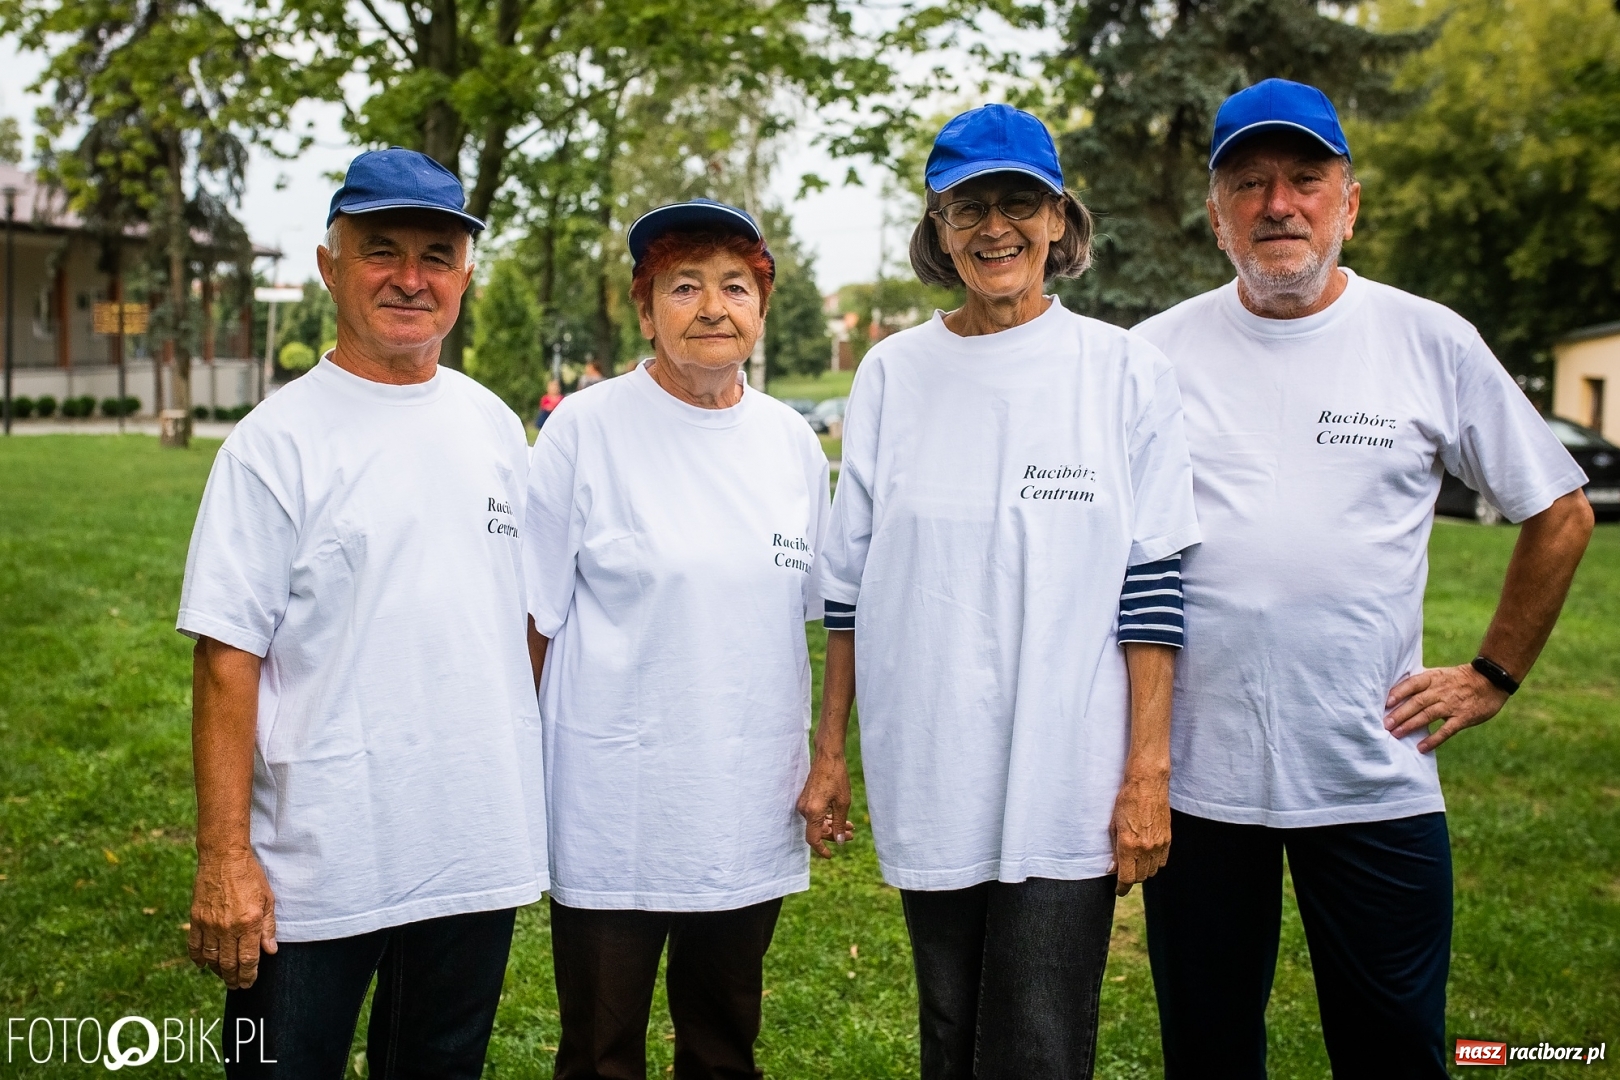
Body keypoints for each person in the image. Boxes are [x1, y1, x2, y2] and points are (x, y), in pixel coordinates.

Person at [1133, 79, 1595, 1079]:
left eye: (1306, 178)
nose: (1278, 204)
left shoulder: (1428, 339)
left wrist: (1492, 675)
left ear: (1351, 202)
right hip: (1200, 784)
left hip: (1373, 774)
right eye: (1248, 184)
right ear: (1216, 216)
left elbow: (1559, 510)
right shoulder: (1150, 357)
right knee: (1207, 1055)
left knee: (1394, 1051)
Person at [801, 104, 1201, 1080]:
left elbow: (1153, 583)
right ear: (937, 231)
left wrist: (1147, 774)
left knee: (1038, 1041)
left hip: (1065, 774)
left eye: (1018, 201)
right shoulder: (892, 374)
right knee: (950, 1029)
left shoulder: (1123, 372)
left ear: (1060, 219)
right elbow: (850, 587)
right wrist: (830, 753)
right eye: (966, 206)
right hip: (931, 765)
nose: (994, 227)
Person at [176, 147, 548, 1079]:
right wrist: (225, 860)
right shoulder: (274, 444)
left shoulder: (496, 428)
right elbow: (227, 659)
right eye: (382, 250)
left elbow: (522, 625)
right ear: (329, 263)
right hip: (315, 865)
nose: (411, 279)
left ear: (466, 274)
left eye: (438, 255)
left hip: (470, 849)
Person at [523, 198, 829, 1080]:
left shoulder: (789, 444)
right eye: (683, 285)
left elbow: (813, 615)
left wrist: (824, 755)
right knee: (600, 1049)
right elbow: (534, 622)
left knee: (725, 1043)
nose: (711, 307)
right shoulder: (584, 430)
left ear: (761, 309)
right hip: (611, 800)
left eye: (736, 286)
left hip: (743, 800)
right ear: (644, 305)